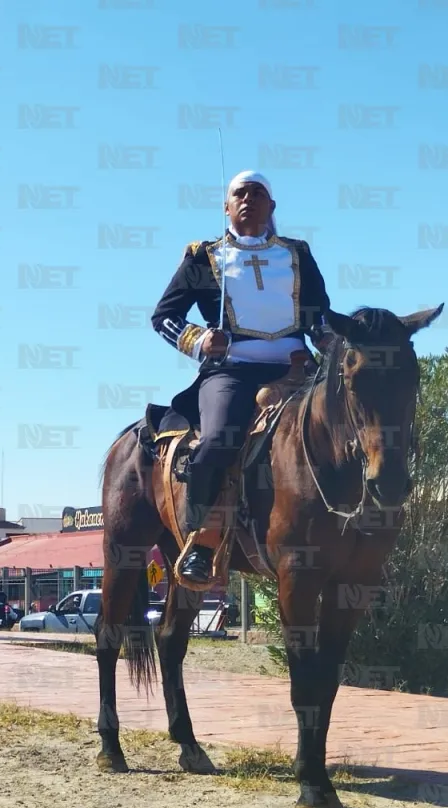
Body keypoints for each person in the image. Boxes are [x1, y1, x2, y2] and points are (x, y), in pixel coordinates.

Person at [151, 171, 334, 584]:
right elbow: (163, 317)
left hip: (296, 370)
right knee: (218, 440)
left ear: (272, 206)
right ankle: (203, 539)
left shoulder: (297, 254)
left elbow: (318, 312)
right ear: (227, 207)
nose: (248, 198)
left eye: (258, 192)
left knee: (346, 429)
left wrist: (327, 337)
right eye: (240, 193)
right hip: (231, 370)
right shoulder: (204, 256)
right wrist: (198, 340)